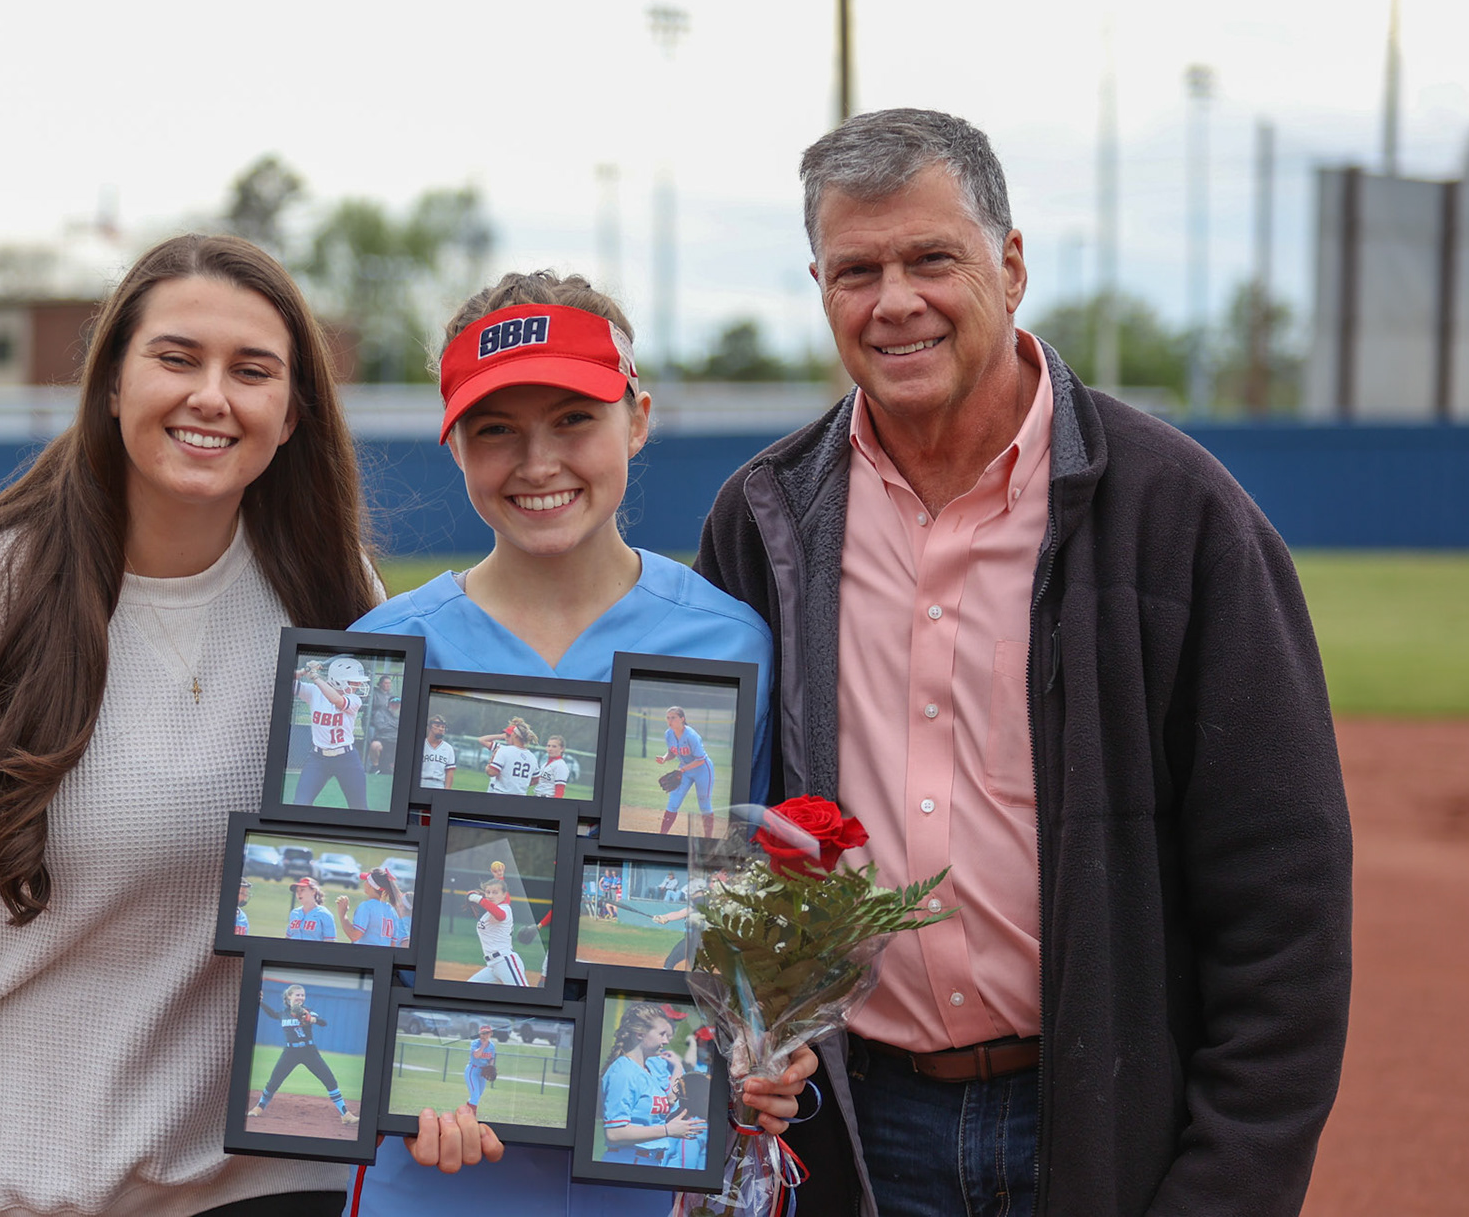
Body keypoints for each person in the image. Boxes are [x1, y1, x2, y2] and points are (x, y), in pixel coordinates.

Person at [696, 108, 1354, 1217]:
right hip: (859, 1132)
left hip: (1104, 1128)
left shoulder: (1181, 516)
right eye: (857, 269)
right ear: (820, 286)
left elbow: (1284, 900)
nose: (894, 299)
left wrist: (1227, 1186)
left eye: (931, 257)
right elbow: (705, 831)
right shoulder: (764, 522)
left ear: (1011, 264)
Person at [0, 234, 379, 1217]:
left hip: (290, 1185)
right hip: (53, 1191)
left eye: (252, 370)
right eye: (176, 357)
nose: (212, 396)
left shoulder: (338, 600)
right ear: (110, 382)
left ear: (291, 415)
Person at [349, 270, 816, 1216]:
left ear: (637, 420)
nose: (538, 461)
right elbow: (352, 925)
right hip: (434, 1169)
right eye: (496, 430)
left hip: (649, 1169)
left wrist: (769, 1047)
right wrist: (390, 1072)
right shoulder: (386, 650)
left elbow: (745, 899)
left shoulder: (732, 644)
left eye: (573, 419)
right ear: (454, 444)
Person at [597, 1004, 701, 1167]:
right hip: (628, 1163)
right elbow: (614, 1132)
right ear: (640, 1034)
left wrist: (685, 1116)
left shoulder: (647, 1069)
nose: (666, 1040)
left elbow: (652, 1116)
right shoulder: (623, 1072)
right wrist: (668, 1130)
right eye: (661, 1034)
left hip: (648, 1161)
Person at [250, 984, 360, 1128]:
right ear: (289, 996)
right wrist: (260, 1002)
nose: (301, 997)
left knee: (330, 1080)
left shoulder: (307, 1011)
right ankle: (259, 1107)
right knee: (274, 1081)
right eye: (297, 994)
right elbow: (273, 1014)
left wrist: (310, 1018)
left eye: (303, 995)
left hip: (309, 1051)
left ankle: (345, 1114)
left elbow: (322, 1022)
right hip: (290, 1053)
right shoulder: (283, 1013)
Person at [292, 656, 371, 808]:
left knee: (360, 809)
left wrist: (315, 676)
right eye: (354, 681)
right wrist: (303, 671)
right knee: (300, 804)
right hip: (318, 759)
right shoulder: (314, 692)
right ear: (339, 680)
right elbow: (282, 678)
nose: (359, 684)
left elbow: (337, 700)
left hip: (347, 759)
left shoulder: (354, 699)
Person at [652, 707, 714, 838]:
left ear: (682, 719)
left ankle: (708, 839)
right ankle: (662, 837)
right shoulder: (668, 734)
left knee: (704, 803)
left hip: (703, 770)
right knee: (673, 802)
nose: (670, 720)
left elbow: (701, 760)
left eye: (673, 717)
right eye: (668, 717)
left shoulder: (691, 736)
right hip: (684, 770)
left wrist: (682, 769)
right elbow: (672, 752)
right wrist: (664, 758)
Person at [464, 871, 530, 987]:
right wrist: (499, 877)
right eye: (488, 892)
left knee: (523, 996)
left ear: (504, 894)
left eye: (495, 893)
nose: (490, 896)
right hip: (493, 965)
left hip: (505, 961)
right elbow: (495, 906)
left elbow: (499, 915)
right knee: (469, 988)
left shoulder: (504, 909)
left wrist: (477, 899)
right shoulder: (492, 911)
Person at [338, 865, 408, 947]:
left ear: (370, 884)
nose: (364, 883)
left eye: (366, 880)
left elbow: (355, 936)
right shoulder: (392, 911)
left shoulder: (366, 907)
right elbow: (392, 944)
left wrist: (343, 915)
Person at [478, 720, 539, 795]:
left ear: (515, 735)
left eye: (511, 733)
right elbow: (536, 779)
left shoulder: (503, 750)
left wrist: (489, 764)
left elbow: (491, 772)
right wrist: (520, 783)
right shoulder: (532, 757)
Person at [286, 876, 338, 942]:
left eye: (302, 890)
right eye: (297, 891)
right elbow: (288, 937)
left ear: (313, 891)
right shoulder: (294, 913)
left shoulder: (324, 914)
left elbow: (330, 941)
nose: (299, 893)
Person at [367, 674, 400, 773]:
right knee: (374, 745)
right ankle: (374, 768)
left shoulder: (401, 711)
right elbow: (381, 726)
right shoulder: (380, 711)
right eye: (393, 704)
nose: (395, 706)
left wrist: (390, 725)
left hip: (396, 739)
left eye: (397, 704)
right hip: (383, 738)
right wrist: (395, 727)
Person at [418, 714, 458, 790]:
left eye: (443, 727)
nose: (440, 729)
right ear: (430, 727)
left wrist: (447, 789)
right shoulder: (421, 744)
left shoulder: (448, 748)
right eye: (437, 726)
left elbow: (449, 772)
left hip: (438, 784)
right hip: (421, 782)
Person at [464, 1025, 498, 1109]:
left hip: (482, 1073)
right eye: (483, 1033)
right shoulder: (475, 1043)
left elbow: (491, 1058)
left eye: (487, 1033)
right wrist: (483, 1045)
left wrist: (490, 1066)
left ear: (491, 1034)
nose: (485, 1035)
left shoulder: (492, 1046)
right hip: (472, 1070)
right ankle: (470, 1118)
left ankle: (465, 1113)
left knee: (477, 1096)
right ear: (480, 1034)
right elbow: (476, 1055)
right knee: (475, 1095)